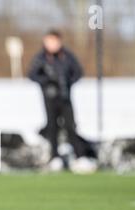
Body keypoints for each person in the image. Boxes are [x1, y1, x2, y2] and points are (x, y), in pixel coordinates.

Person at [28, 29, 95, 172]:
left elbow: (77, 72)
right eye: (49, 41)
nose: (51, 44)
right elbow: (32, 74)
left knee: (71, 126)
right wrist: (47, 82)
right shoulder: (41, 58)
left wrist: (67, 82)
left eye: (54, 41)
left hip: (65, 98)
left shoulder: (67, 56)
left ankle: (80, 157)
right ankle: (55, 158)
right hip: (49, 99)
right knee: (52, 127)